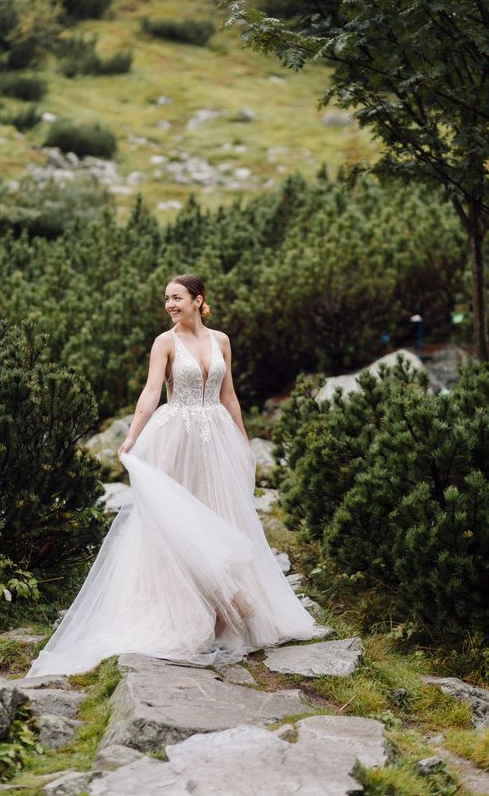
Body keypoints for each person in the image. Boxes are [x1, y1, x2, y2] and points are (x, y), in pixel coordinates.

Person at [26, 274, 317, 677]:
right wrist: (131, 436)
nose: (170, 305)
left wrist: (244, 442)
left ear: (199, 300)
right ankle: (181, 612)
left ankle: (226, 610)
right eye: (166, 299)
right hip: (176, 438)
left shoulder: (222, 341)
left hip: (216, 437)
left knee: (221, 513)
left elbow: (229, 394)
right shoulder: (165, 343)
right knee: (177, 521)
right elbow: (150, 393)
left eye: (177, 298)